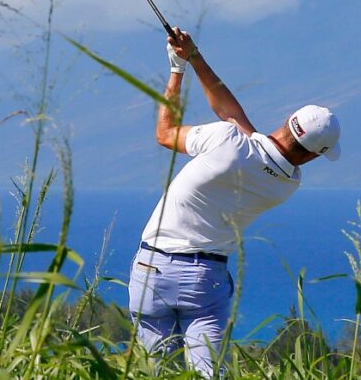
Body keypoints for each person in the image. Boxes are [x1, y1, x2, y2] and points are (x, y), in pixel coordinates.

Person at [128, 27, 341, 376]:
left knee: (157, 372)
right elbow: (235, 119)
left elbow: (166, 134)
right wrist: (194, 57)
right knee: (209, 373)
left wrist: (179, 69)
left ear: (287, 121)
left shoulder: (227, 139)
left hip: (151, 268)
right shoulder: (287, 183)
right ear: (312, 156)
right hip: (204, 280)